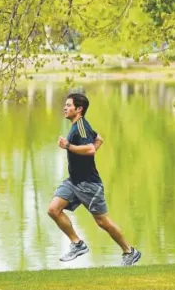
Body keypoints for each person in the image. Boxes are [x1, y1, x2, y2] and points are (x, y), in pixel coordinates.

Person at [48, 93, 141, 266]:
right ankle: (77, 244)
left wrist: (68, 146)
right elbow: (99, 139)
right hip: (74, 181)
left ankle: (129, 251)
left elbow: (91, 148)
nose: (65, 108)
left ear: (79, 109)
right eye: (65, 105)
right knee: (53, 209)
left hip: (89, 185)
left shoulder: (81, 126)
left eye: (68, 105)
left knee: (102, 222)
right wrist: (82, 155)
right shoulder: (80, 126)